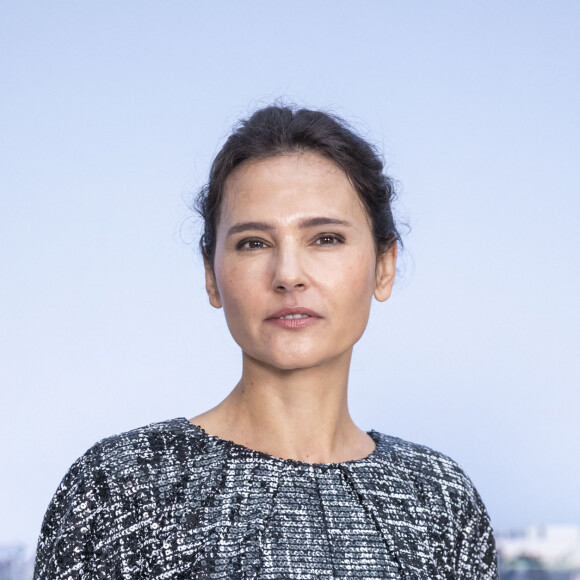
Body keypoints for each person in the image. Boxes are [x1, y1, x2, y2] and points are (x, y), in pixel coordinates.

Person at [33, 104, 498, 579]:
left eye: (326, 238)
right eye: (253, 243)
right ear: (211, 277)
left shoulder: (440, 500)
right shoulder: (123, 488)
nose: (289, 275)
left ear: (384, 266)